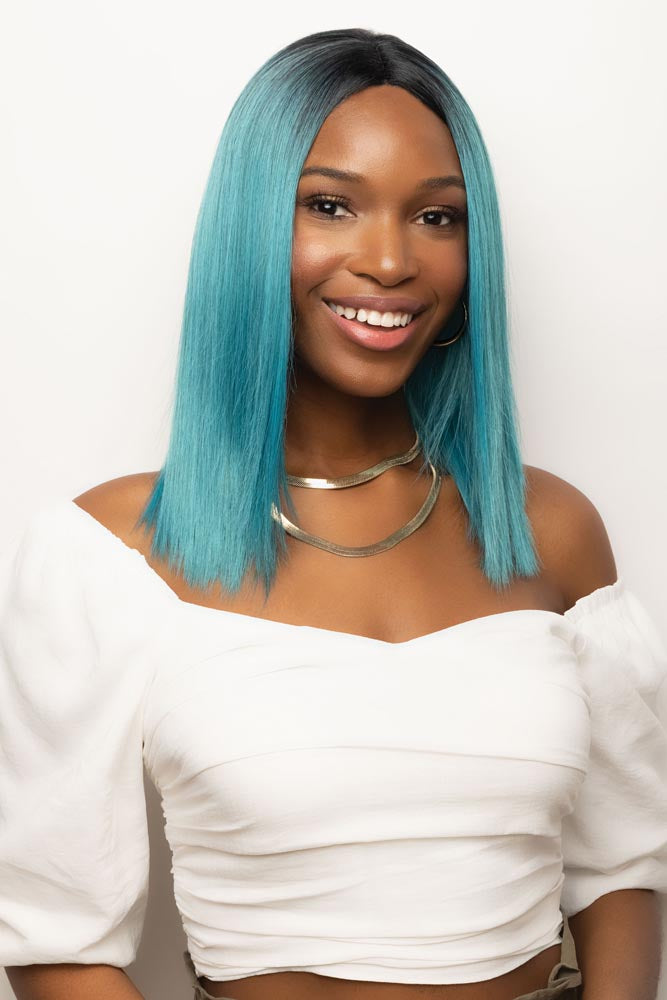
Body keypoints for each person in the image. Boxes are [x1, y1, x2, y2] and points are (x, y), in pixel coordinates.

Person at [1, 27, 666, 1000]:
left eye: (436, 216)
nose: (390, 259)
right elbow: (59, 937)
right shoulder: (109, 555)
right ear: (250, 226)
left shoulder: (549, 528)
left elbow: (621, 868)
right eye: (329, 205)